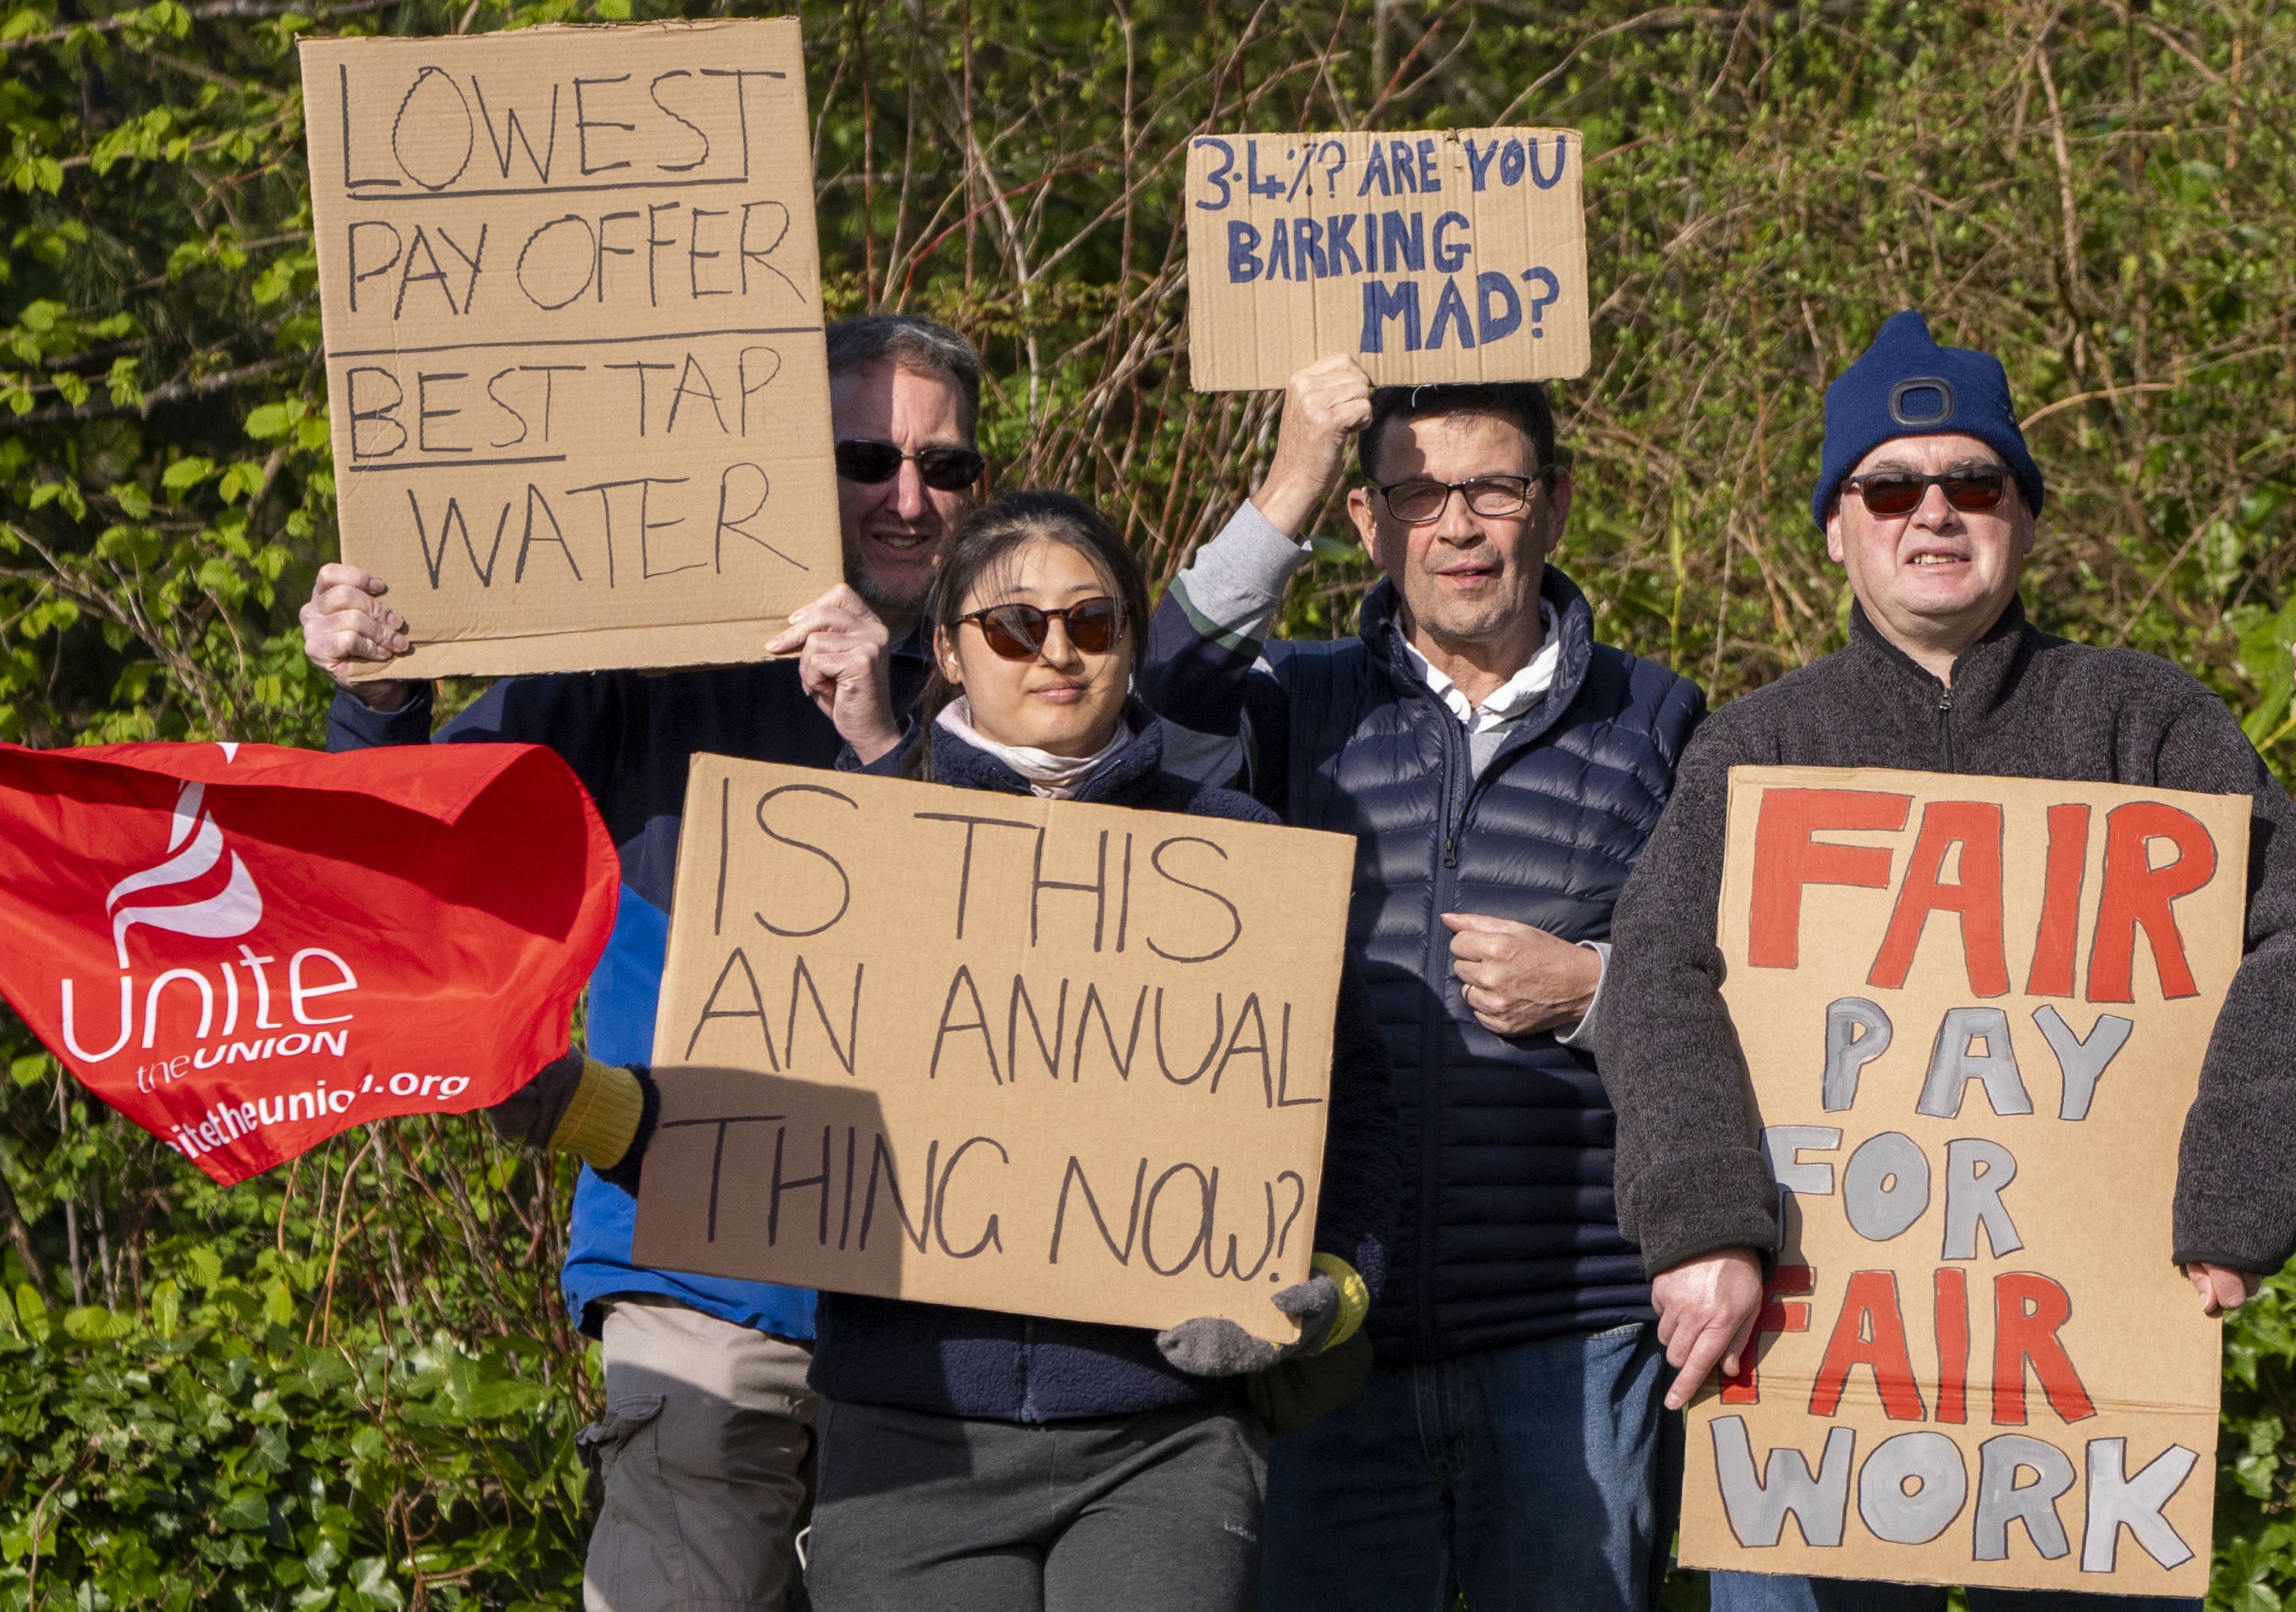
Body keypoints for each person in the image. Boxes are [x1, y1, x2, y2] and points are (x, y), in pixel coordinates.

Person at [1602, 309, 2296, 1611]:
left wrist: (2234, 1198)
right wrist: (1701, 1223)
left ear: (2023, 519)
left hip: (2093, 1381)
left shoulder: (2149, 723)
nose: (1932, 513)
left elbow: (2289, 939)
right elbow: (1655, 981)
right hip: (1817, 1365)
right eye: (1888, 486)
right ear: (1835, 527)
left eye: (1972, 481)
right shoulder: (1759, 748)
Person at [300, 312, 985, 1612]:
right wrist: (378, 695)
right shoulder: (645, 671)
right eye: (864, 458)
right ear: (789, 469)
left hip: (950, 1318)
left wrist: (883, 733)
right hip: (696, 1282)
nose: (907, 498)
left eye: (944, 468)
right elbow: (407, 838)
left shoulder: (1030, 661)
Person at [1141, 357, 1706, 1610]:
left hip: (1574, 1331)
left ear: (1553, 506)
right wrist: (1293, 468)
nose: (1455, 525)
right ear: (1366, 520)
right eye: (1415, 493)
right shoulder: (1291, 701)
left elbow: (1721, 990)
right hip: (1328, 1325)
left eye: (1492, 490)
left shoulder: (1659, 719)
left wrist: (1593, 989)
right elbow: (1161, 682)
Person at [790, 488, 1402, 1612]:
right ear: (947, 649)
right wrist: (582, 1105)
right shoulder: (850, 844)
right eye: (1015, 628)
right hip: (907, 1436)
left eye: (1093, 621)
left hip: (1161, 1438)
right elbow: (752, 1108)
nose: (1056, 653)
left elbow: (1351, 1105)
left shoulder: (1236, 853)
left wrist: (1337, 1282)